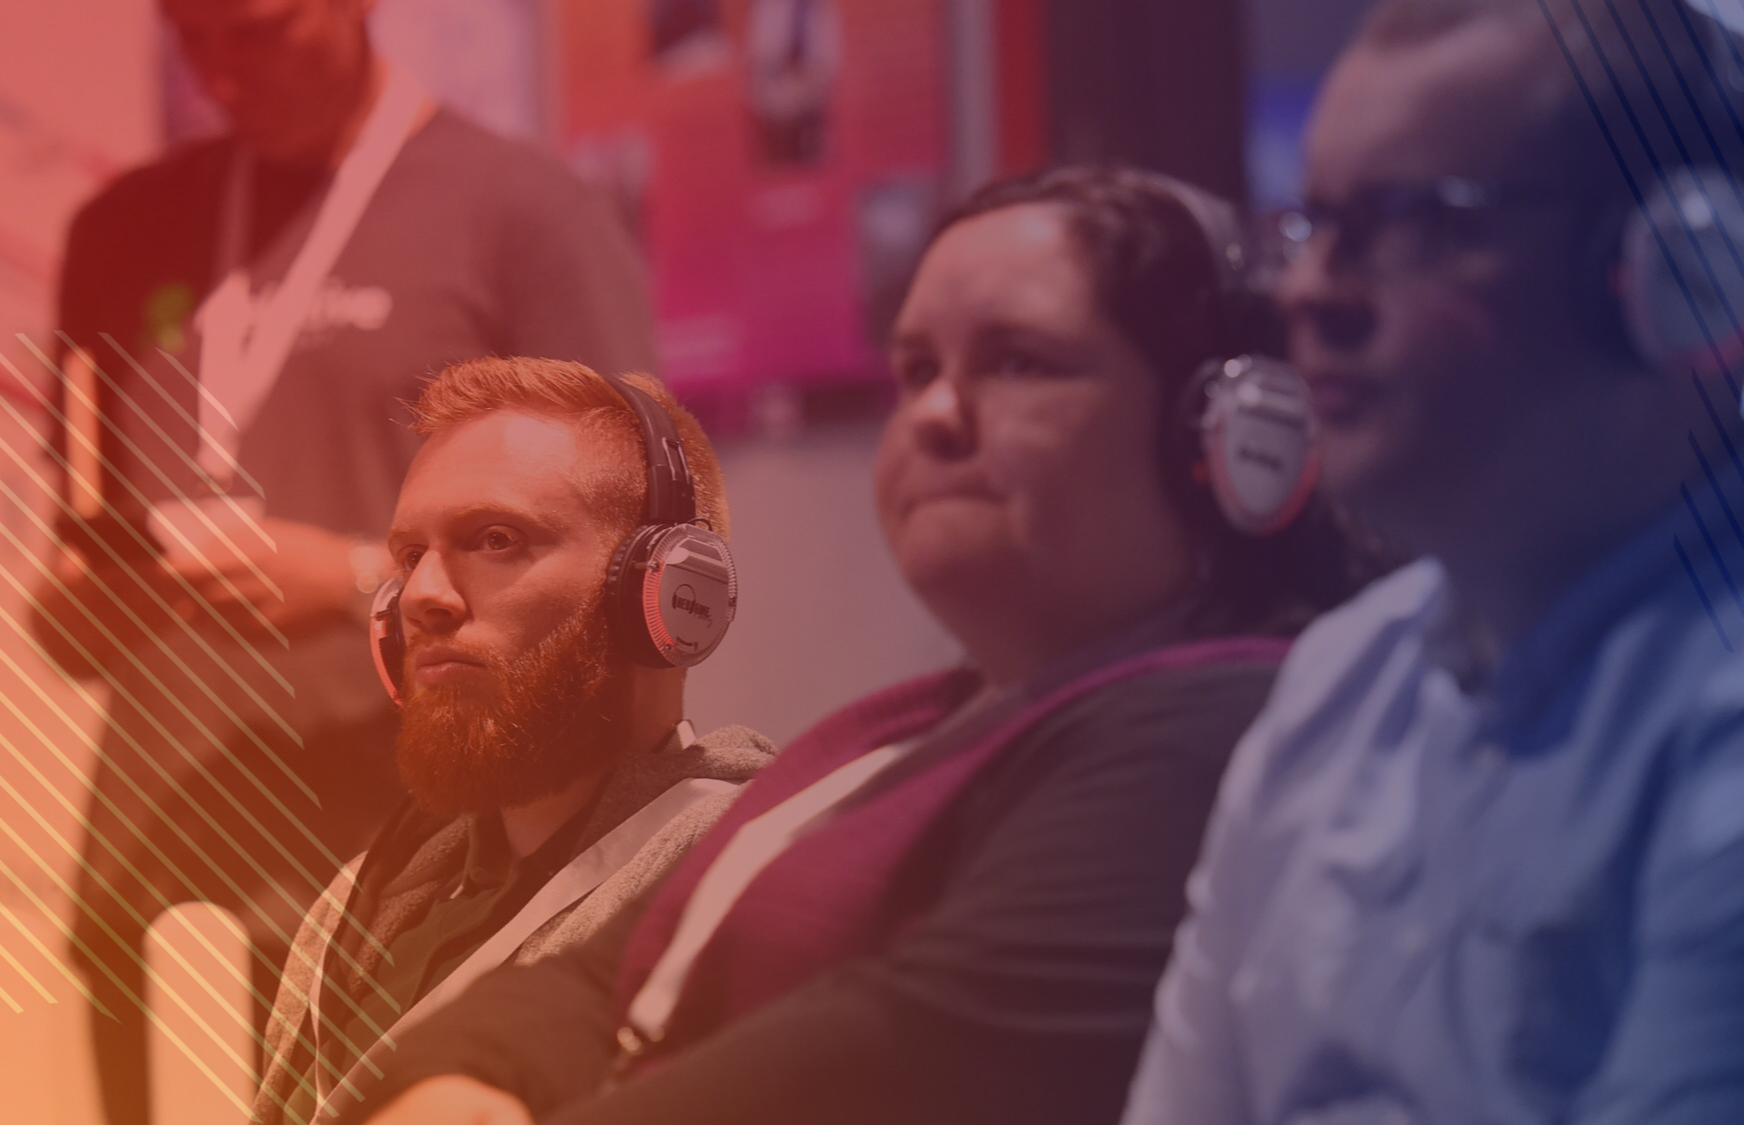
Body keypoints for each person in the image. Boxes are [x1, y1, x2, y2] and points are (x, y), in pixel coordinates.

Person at [341, 166, 1382, 1125]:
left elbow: (906, 1056)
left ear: (1234, 436)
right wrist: (462, 1076)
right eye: (917, 367)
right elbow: (587, 975)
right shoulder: (892, 736)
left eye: (1018, 362)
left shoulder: (1218, 728)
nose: (934, 413)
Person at [1122, 2, 1744, 1124]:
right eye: (1314, 222)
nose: (1305, 293)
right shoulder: (1335, 683)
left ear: (1691, 276)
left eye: (1410, 223)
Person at [32, 1, 657, 1121]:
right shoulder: (123, 231)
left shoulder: (521, 212)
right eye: (194, 36)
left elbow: (637, 537)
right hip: (157, 853)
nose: (224, 73)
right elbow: (76, 562)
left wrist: (365, 577)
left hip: (405, 854)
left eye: (262, 28)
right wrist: (75, 616)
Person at [249, 358, 773, 1124]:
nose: (423, 595)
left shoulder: (748, 886)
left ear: (665, 592)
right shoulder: (363, 900)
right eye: (409, 556)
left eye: (496, 539)